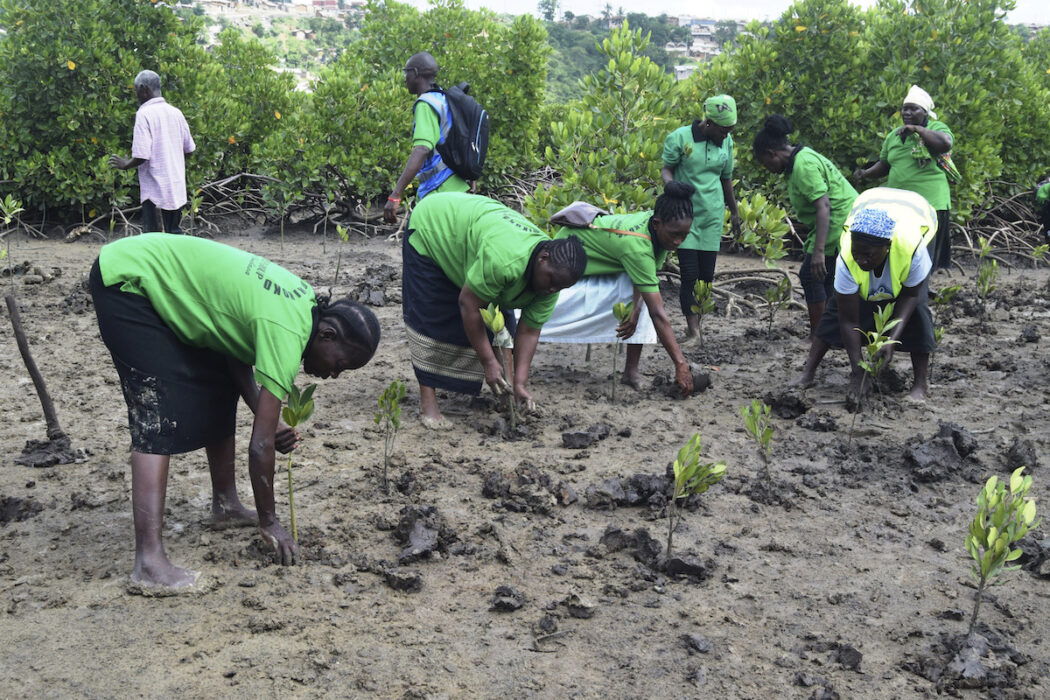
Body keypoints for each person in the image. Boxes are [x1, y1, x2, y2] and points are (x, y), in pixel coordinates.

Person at [90, 234, 381, 591]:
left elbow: (234, 354)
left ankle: (226, 505)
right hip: (129, 282)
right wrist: (269, 522)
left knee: (218, 384)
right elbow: (259, 447)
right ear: (327, 334)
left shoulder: (303, 304)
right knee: (157, 412)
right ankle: (149, 563)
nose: (334, 374)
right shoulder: (288, 331)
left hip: (155, 277)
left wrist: (267, 420)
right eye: (341, 365)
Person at [402, 192, 586, 427]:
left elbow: (528, 332)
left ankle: (507, 392)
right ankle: (428, 404)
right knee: (432, 319)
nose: (552, 290)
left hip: (474, 237)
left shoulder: (552, 283)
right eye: (551, 281)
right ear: (543, 258)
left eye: (559, 287)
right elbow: (469, 305)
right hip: (433, 228)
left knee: (501, 325)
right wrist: (488, 362)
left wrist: (520, 383)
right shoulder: (505, 260)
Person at [538, 181, 697, 396]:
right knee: (651, 306)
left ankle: (630, 373)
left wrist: (635, 310)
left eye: (684, 235)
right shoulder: (638, 245)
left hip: (607, 263)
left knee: (641, 304)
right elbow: (659, 314)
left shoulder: (657, 228)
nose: (679, 241)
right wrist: (681, 364)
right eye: (674, 234)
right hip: (564, 260)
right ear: (657, 223)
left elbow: (644, 278)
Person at [792, 187, 938, 402]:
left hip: (918, 210)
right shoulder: (846, 257)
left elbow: (910, 296)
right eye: (856, 252)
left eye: (868, 254)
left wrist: (889, 341)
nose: (861, 260)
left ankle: (920, 385)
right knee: (835, 310)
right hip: (871, 200)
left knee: (917, 311)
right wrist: (857, 371)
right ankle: (808, 373)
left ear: (887, 247)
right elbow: (848, 318)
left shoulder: (912, 246)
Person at [753, 114, 858, 337]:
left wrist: (819, 251)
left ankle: (819, 334)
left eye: (766, 163)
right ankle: (831, 331)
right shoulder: (801, 158)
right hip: (841, 221)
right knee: (826, 277)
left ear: (772, 154)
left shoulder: (803, 165)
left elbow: (824, 206)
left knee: (811, 275)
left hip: (839, 221)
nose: (768, 169)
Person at [661, 94, 742, 340]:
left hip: (712, 216)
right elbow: (667, 168)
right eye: (723, 130)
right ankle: (693, 330)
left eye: (730, 130)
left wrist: (735, 212)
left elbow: (726, 179)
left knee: (706, 276)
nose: (726, 135)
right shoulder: (680, 137)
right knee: (688, 274)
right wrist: (670, 187)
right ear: (709, 124)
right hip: (685, 217)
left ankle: (698, 325)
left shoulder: (726, 143)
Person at [853, 85, 955, 271]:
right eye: (905, 108)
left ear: (925, 112)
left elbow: (945, 144)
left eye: (913, 108)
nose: (907, 112)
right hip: (898, 207)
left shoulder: (935, 128)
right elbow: (885, 164)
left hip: (931, 205)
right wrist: (865, 174)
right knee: (898, 250)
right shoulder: (894, 135)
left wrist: (917, 129)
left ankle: (920, 294)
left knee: (924, 256)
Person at [383, 52, 472, 226]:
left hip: (439, 190)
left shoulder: (426, 104)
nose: (405, 78)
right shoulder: (445, 99)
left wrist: (395, 194)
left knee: (419, 244)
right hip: (459, 187)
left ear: (415, 73)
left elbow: (422, 149)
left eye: (406, 72)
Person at [108, 70, 195, 235]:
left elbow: (142, 155)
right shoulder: (176, 113)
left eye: (135, 90)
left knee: (154, 239)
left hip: (155, 193)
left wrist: (125, 164)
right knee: (173, 235)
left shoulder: (144, 114)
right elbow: (189, 150)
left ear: (143, 89)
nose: (135, 95)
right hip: (176, 191)